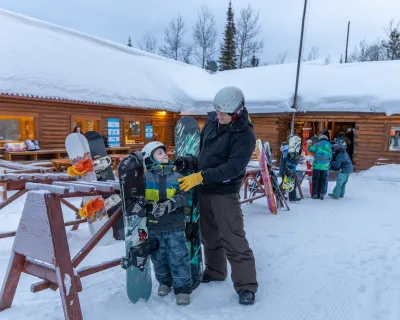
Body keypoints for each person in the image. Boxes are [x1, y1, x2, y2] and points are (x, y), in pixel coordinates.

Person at [175, 86, 258, 305]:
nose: (217, 116)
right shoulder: (213, 121)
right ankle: (215, 270)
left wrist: (202, 176)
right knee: (209, 236)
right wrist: (193, 166)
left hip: (224, 192)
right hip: (203, 188)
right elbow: (202, 149)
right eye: (217, 111)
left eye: (223, 114)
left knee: (233, 237)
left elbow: (233, 168)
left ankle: (246, 286)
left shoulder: (245, 134)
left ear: (237, 112)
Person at [128, 141, 192, 305]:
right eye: (159, 153)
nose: (165, 154)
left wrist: (170, 204)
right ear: (150, 159)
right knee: (158, 258)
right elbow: (137, 196)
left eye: (165, 152)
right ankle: (165, 282)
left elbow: (185, 196)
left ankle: (182, 288)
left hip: (174, 226)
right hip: (154, 226)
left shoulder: (177, 176)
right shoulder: (144, 178)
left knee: (178, 257)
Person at [308, 135, 332, 200]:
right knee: (323, 180)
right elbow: (330, 156)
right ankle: (321, 194)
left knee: (315, 179)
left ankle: (315, 194)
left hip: (317, 166)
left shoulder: (317, 144)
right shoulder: (329, 146)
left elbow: (310, 150)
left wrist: (310, 143)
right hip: (325, 166)